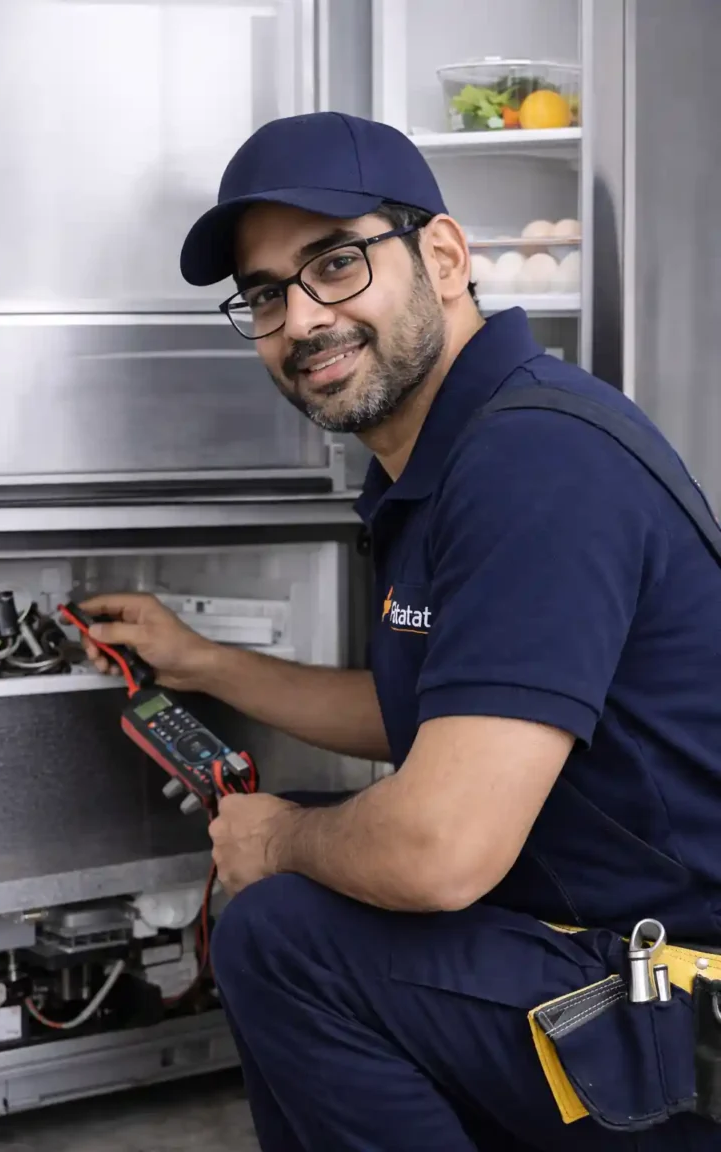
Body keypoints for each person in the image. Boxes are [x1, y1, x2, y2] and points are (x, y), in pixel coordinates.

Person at [80, 113, 721, 1150]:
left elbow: (439, 850)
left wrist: (279, 839)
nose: (301, 319)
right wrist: (203, 662)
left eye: (335, 263)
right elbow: (428, 712)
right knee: (304, 886)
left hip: (673, 1021)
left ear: (445, 257)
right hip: (591, 955)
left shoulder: (534, 462)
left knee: (287, 931)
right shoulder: (456, 454)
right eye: (266, 294)